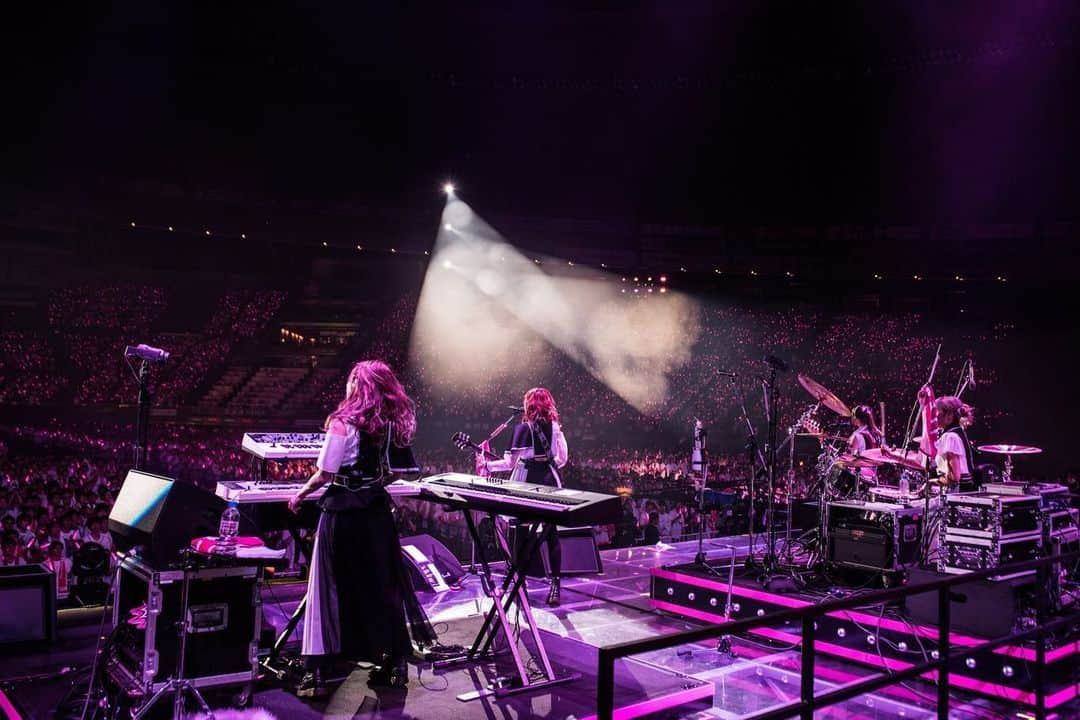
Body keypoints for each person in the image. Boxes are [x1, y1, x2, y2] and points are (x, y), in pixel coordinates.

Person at [287, 360, 435, 697]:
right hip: (376, 514)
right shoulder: (391, 424)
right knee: (383, 588)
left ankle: (318, 673)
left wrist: (300, 494)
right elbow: (400, 471)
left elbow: (325, 473)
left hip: (342, 514)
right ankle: (394, 668)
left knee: (328, 588)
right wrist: (373, 481)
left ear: (356, 383)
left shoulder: (342, 422)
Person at [478, 387, 569, 605]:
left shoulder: (522, 429)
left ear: (528, 405)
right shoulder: (556, 428)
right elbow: (563, 458)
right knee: (551, 533)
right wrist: (545, 464)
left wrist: (487, 465)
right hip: (549, 481)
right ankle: (555, 586)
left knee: (518, 531)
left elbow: (509, 463)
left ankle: (519, 583)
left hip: (526, 483)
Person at [918, 388, 976, 492]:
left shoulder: (950, 437)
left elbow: (954, 477)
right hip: (964, 491)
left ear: (949, 415)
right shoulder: (957, 432)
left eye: (937, 412)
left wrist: (931, 482)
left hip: (958, 496)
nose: (934, 415)